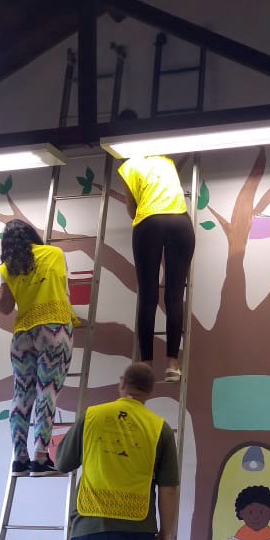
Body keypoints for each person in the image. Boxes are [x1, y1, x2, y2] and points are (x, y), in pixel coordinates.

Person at [55, 362, 179, 540]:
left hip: (88, 527)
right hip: (136, 533)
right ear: (150, 391)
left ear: (121, 383)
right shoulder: (159, 428)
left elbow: (62, 463)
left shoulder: (92, 416)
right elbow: (169, 488)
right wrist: (165, 534)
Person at [0, 219, 77, 476]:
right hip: (54, 328)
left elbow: (5, 307)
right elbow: (62, 289)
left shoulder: (8, 268)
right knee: (46, 391)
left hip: (23, 333)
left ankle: (19, 458)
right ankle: (40, 457)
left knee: (21, 395)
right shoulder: (54, 254)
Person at [115, 126, 195, 382]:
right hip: (181, 222)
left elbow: (132, 210)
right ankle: (173, 364)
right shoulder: (166, 161)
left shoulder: (128, 165)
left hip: (149, 222)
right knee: (174, 294)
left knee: (148, 295)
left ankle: (146, 364)